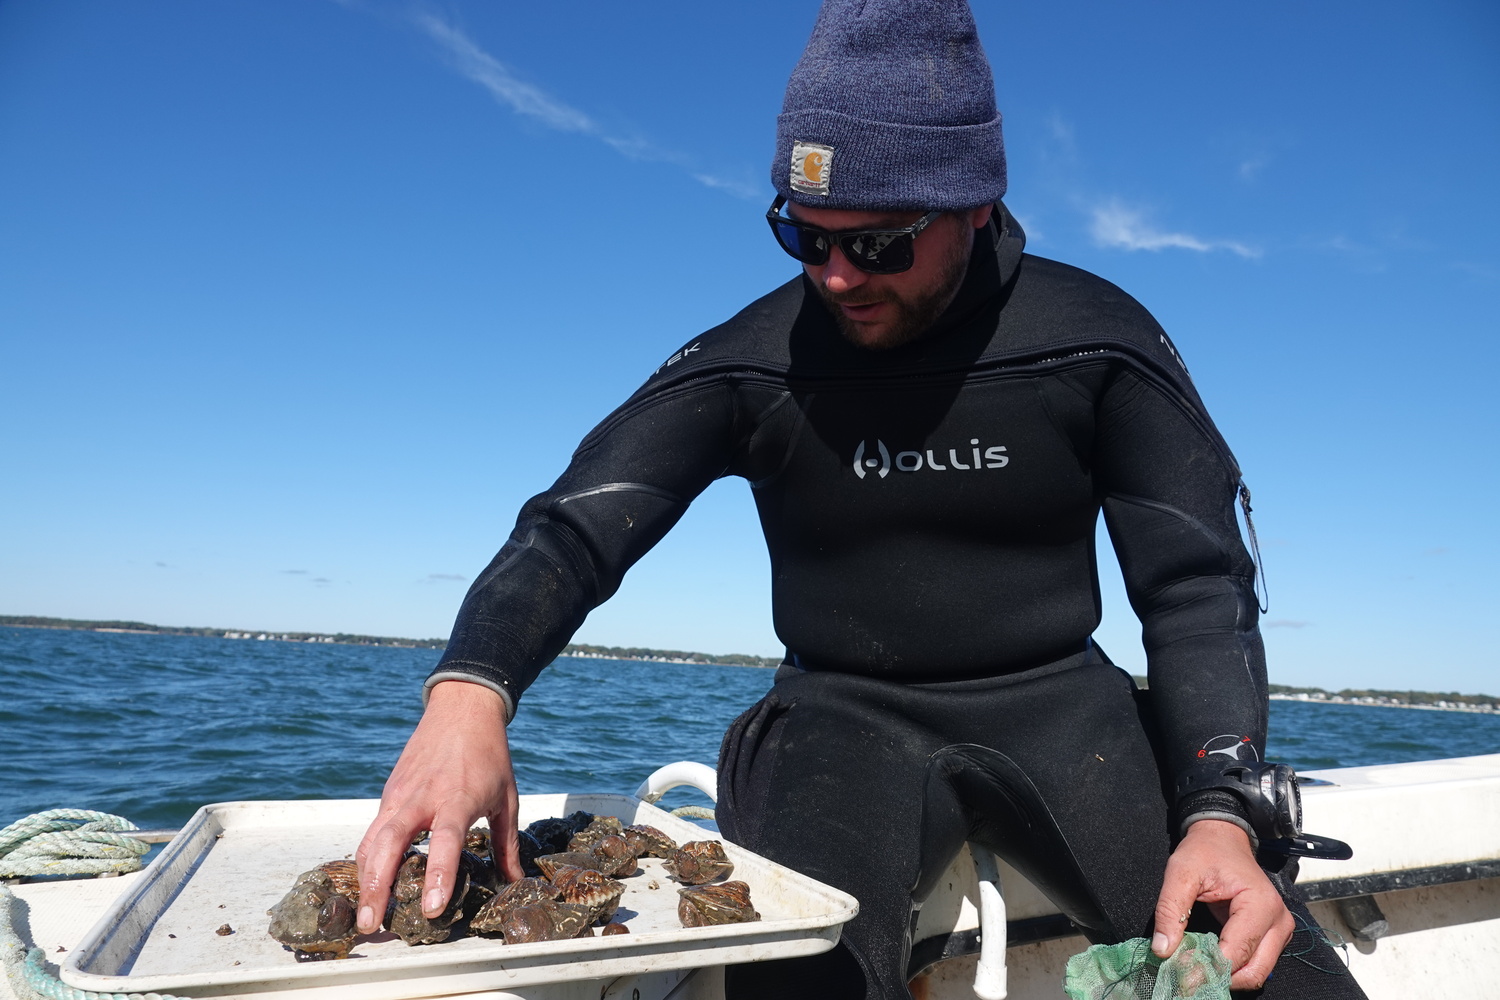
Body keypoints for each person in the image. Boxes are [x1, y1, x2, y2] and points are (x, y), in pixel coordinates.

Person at [356, 2, 1367, 997]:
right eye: (804, 236)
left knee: (1274, 975)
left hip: (1071, 711)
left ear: (976, 202)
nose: (837, 277)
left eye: (878, 244)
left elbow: (1195, 585)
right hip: (836, 729)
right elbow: (575, 524)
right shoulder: (757, 359)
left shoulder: (1095, 340)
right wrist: (467, 695)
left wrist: (1222, 811)